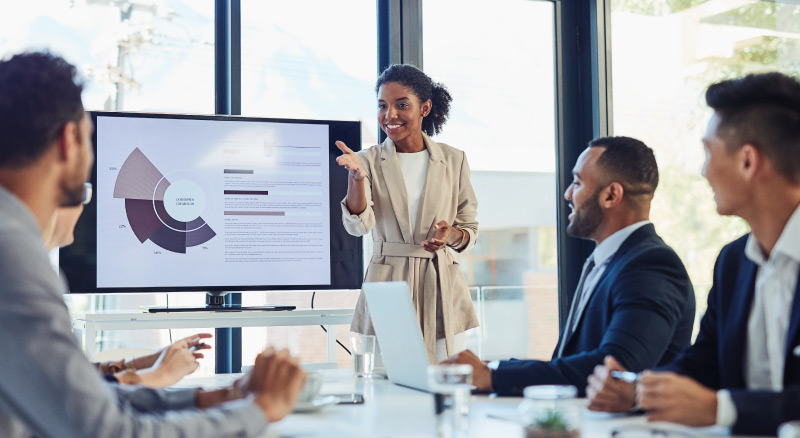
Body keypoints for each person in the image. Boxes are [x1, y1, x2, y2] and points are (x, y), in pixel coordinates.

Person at [0, 50, 306, 437]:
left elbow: (79, 400)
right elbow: (108, 432)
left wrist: (206, 399)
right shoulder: (13, 256)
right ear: (69, 140)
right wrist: (260, 410)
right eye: (91, 137)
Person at [586, 72, 800, 436]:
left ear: (748, 161)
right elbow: (704, 362)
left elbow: (719, 403)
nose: (703, 172)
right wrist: (638, 390)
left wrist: (722, 408)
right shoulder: (734, 262)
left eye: (708, 152)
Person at [445, 137, 695, 395]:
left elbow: (614, 370)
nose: (567, 194)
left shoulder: (651, 265)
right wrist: (491, 367)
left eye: (577, 182)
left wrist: (494, 376)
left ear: (611, 195)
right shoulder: (610, 262)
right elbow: (570, 362)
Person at [335, 64, 479, 362]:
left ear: (424, 107)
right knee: (388, 380)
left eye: (402, 105)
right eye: (382, 106)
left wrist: (449, 235)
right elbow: (358, 226)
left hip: (441, 284)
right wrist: (357, 179)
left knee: (446, 379)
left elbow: (469, 229)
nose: (390, 115)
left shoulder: (454, 160)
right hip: (389, 282)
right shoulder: (366, 161)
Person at [46, 198, 214, 388]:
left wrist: (151, 361)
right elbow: (67, 391)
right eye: (81, 194)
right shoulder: (30, 283)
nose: (81, 208)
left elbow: (64, 372)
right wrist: (162, 374)